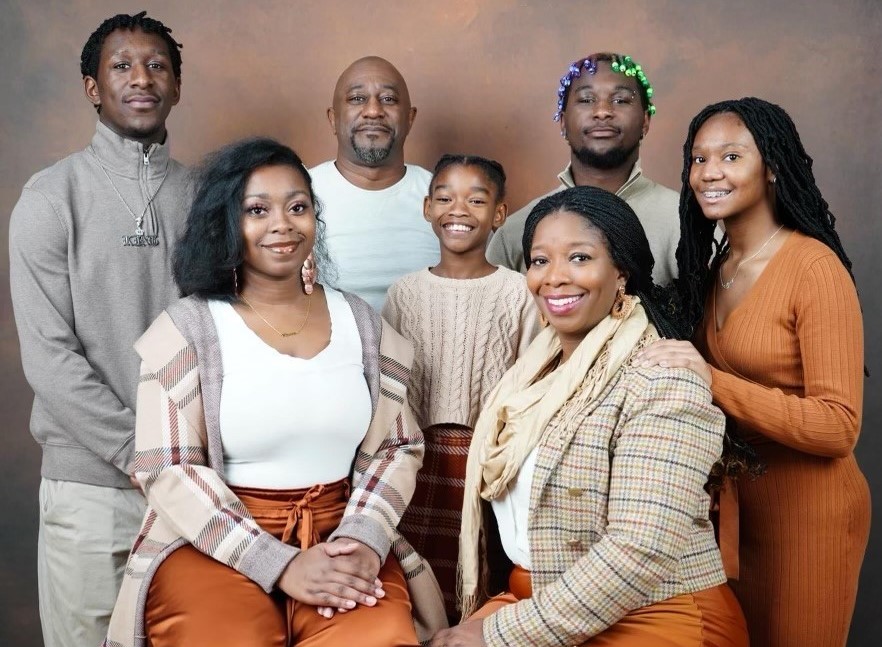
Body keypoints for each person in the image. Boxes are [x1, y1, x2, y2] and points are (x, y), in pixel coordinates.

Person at [104, 138, 446, 647]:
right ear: (226, 224)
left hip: (341, 534)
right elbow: (166, 468)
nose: (282, 224)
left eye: (298, 206)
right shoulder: (189, 330)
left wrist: (363, 540)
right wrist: (277, 563)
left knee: (375, 636)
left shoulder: (362, 324)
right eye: (257, 210)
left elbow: (399, 447)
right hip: (215, 540)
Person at [432, 186, 748, 647]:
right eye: (540, 261)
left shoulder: (660, 378)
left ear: (621, 272)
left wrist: (497, 634)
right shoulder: (531, 376)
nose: (555, 277)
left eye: (579, 258)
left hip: (656, 613)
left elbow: (640, 552)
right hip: (541, 600)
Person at [635, 97, 870, 647]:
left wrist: (710, 380)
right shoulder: (718, 270)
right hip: (736, 518)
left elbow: (839, 427)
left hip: (811, 515)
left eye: (732, 156)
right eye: (698, 159)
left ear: (773, 167)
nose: (709, 172)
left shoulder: (813, 267)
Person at [8, 12, 189, 647]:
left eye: (157, 65)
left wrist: (182, 466)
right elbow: (50, 360)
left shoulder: (204, 198)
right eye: (121, 66)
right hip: (90, 486)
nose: (141, 78)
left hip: (194, 486)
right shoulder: (50, 197)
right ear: (93, 88)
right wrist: (139, 455)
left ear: (175, 86)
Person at [382, 154, 539, 618]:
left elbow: (530, 382)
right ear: (427, 208)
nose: (459, 209)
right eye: (446, 198)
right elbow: (392, 389)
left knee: (479, 575)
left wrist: (500, 451)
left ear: (499, 214)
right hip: (418, 460)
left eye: (476, 199)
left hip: (486, 463)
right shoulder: (404, 293)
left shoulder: (518, 292)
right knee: (417, 580)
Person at [487, 53, 679, 285]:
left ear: (645, 121)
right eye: (587, 100)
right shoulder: (514, 233)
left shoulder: (682, 222)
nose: (602, 111)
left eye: (620, 100)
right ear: (563, 122)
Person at [309, 56, 439, 312]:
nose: (373, 111)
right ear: (333, 118)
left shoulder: (446, 199)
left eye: (388, 99)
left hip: (429, 350)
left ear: (410, 118)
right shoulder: (297, 197)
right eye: (357, 99)